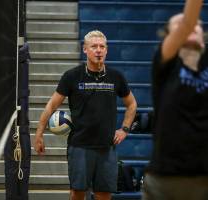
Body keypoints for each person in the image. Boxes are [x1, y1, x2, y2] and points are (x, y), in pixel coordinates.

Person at [34, 30, 137, 200]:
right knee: (77, 193)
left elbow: (132, 104)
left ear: (106, 50)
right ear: (85, 50)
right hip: (79, 146)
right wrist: (39, 133)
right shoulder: (72, 76)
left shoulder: (116, 77)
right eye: (94, 46)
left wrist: (124, 129)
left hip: (106, 147)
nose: (98, 50)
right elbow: (52, 105)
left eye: (102, 46)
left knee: (104, 194)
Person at [142, 0, 208, 199]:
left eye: (198, 24)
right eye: (179, 26)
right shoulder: (166, 65)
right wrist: (189, 20)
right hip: (166, 180)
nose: (190, 27)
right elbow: (188, 21)